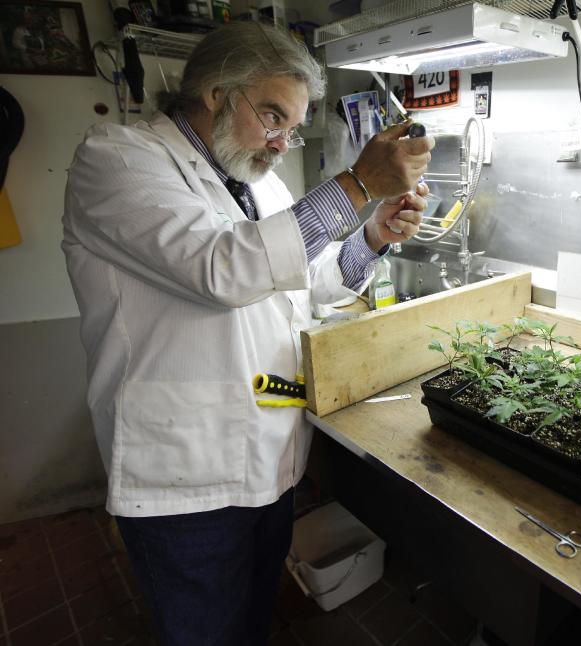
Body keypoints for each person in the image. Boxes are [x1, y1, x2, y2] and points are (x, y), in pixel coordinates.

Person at [61, 22, 434, 646]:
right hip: (185, 472)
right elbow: (221, 270)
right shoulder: (118, 159)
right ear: (214, 93)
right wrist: (357, 184)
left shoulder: (258, 180)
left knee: (253, 620)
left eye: (292, 125)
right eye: (272, 117)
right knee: (204, 631)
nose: (283, 142)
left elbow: (305, 281)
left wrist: (371, 233)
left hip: (270, 450)